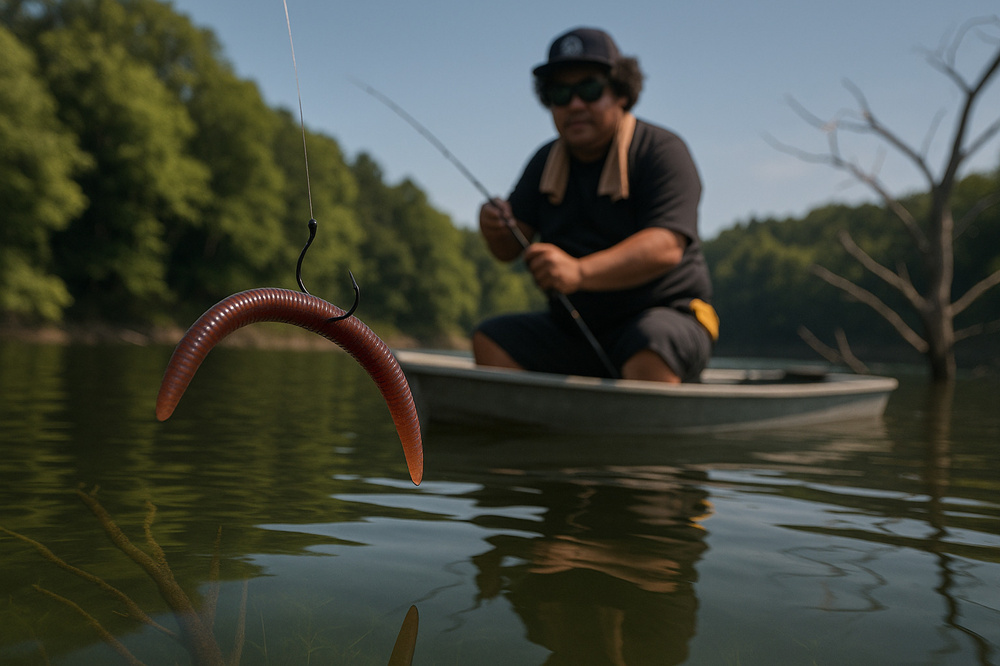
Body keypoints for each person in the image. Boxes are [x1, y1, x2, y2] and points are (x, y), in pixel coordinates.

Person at [473, 27, 718, 383]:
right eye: (560, 92)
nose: (575, 104)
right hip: (578, 328)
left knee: (649, 342)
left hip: (668, 318)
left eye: (589, 88)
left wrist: (579, 272)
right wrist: (492, 225)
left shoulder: (661, 151)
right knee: (491, 339)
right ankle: (540, 432)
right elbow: (509, 247)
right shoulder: (544, 161)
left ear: (621, 92)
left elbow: (665, 247)